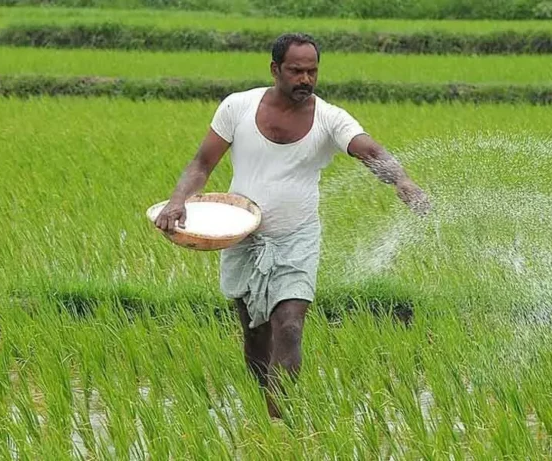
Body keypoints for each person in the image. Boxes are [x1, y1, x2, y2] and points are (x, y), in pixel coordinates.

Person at [154, 32, 430, 418]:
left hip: (296, 236)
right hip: (242, 236)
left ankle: (280, 420)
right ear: (275, 69)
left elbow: (369, 149)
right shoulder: (238, 107)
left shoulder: (330, 119)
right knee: (255, 334)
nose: (305, 79)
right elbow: (202, 163)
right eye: (296, 71)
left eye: (312, 71)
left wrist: (401, 179)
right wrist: (178, 201)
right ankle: (265, 406)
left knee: (289, 326)